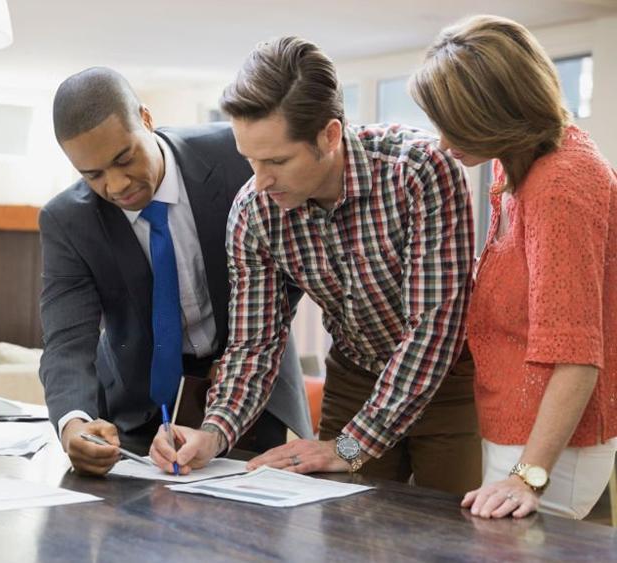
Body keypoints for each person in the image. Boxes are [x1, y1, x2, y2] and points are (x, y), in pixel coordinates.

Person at [151, 36, 481, 495]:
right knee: (347, 531)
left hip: (449, 383)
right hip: (355, 377)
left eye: (277, 161)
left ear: (329, 135)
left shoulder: (421, 170)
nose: (260, 181)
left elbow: (434, 327)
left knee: (451, 536)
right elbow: (255, 344)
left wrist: (349, 446)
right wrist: (214, 432)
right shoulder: (254, 211)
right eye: (249, 160)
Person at [40, 67, 311, 475]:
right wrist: (72, 423)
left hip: (251, 390)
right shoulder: (67, 221)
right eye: (92, 175)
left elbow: (294, 260)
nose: (116, 185)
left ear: (146, 119)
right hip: (136, 413)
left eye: (124, 158)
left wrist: (248, 343)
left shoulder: (236, 157)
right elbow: (66, 340)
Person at [409, 15, 617, 519]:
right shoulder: (516, 162)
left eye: (452, 124)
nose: (441, 142)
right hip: (515, 428)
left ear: (496, 113)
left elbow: (577, 355)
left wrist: (530, 476)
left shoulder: (560, 183)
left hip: (549, 451)